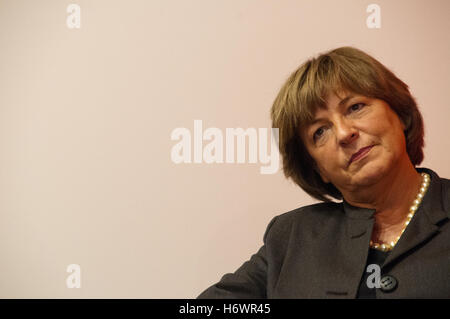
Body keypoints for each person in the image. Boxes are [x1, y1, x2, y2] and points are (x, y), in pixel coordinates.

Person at [197, 46, 450, 298]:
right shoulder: (292, 238)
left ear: (400, 113)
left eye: (355, 107)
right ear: (317, 169)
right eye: (320, 131)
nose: (343, 133)